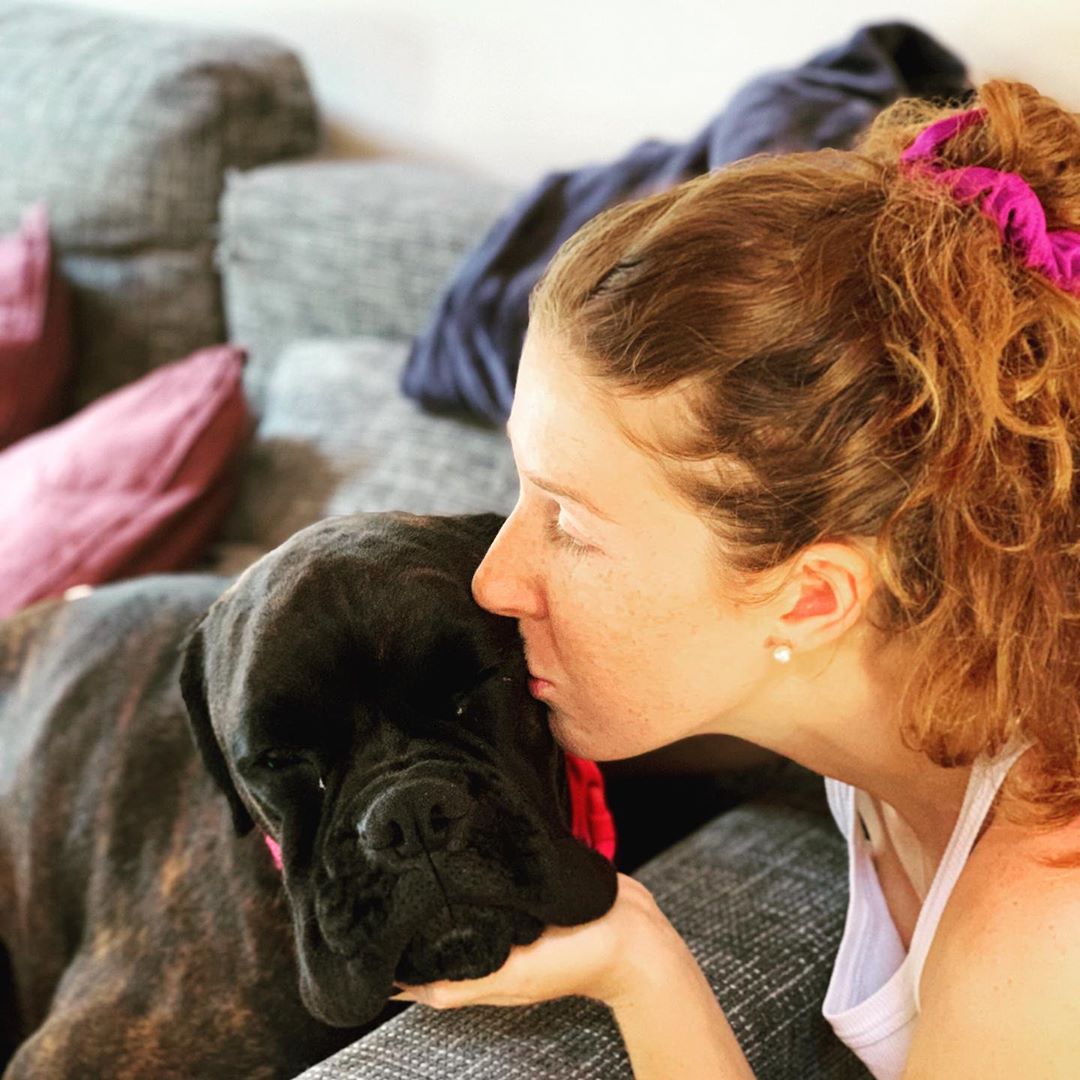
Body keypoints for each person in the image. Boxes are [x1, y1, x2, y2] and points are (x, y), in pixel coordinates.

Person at [389, 79, 1080, 1079]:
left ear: (811, 597)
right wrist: (638, 960)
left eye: (570, 523)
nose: (495, 581)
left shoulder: (1039, 938)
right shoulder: (911, 687)